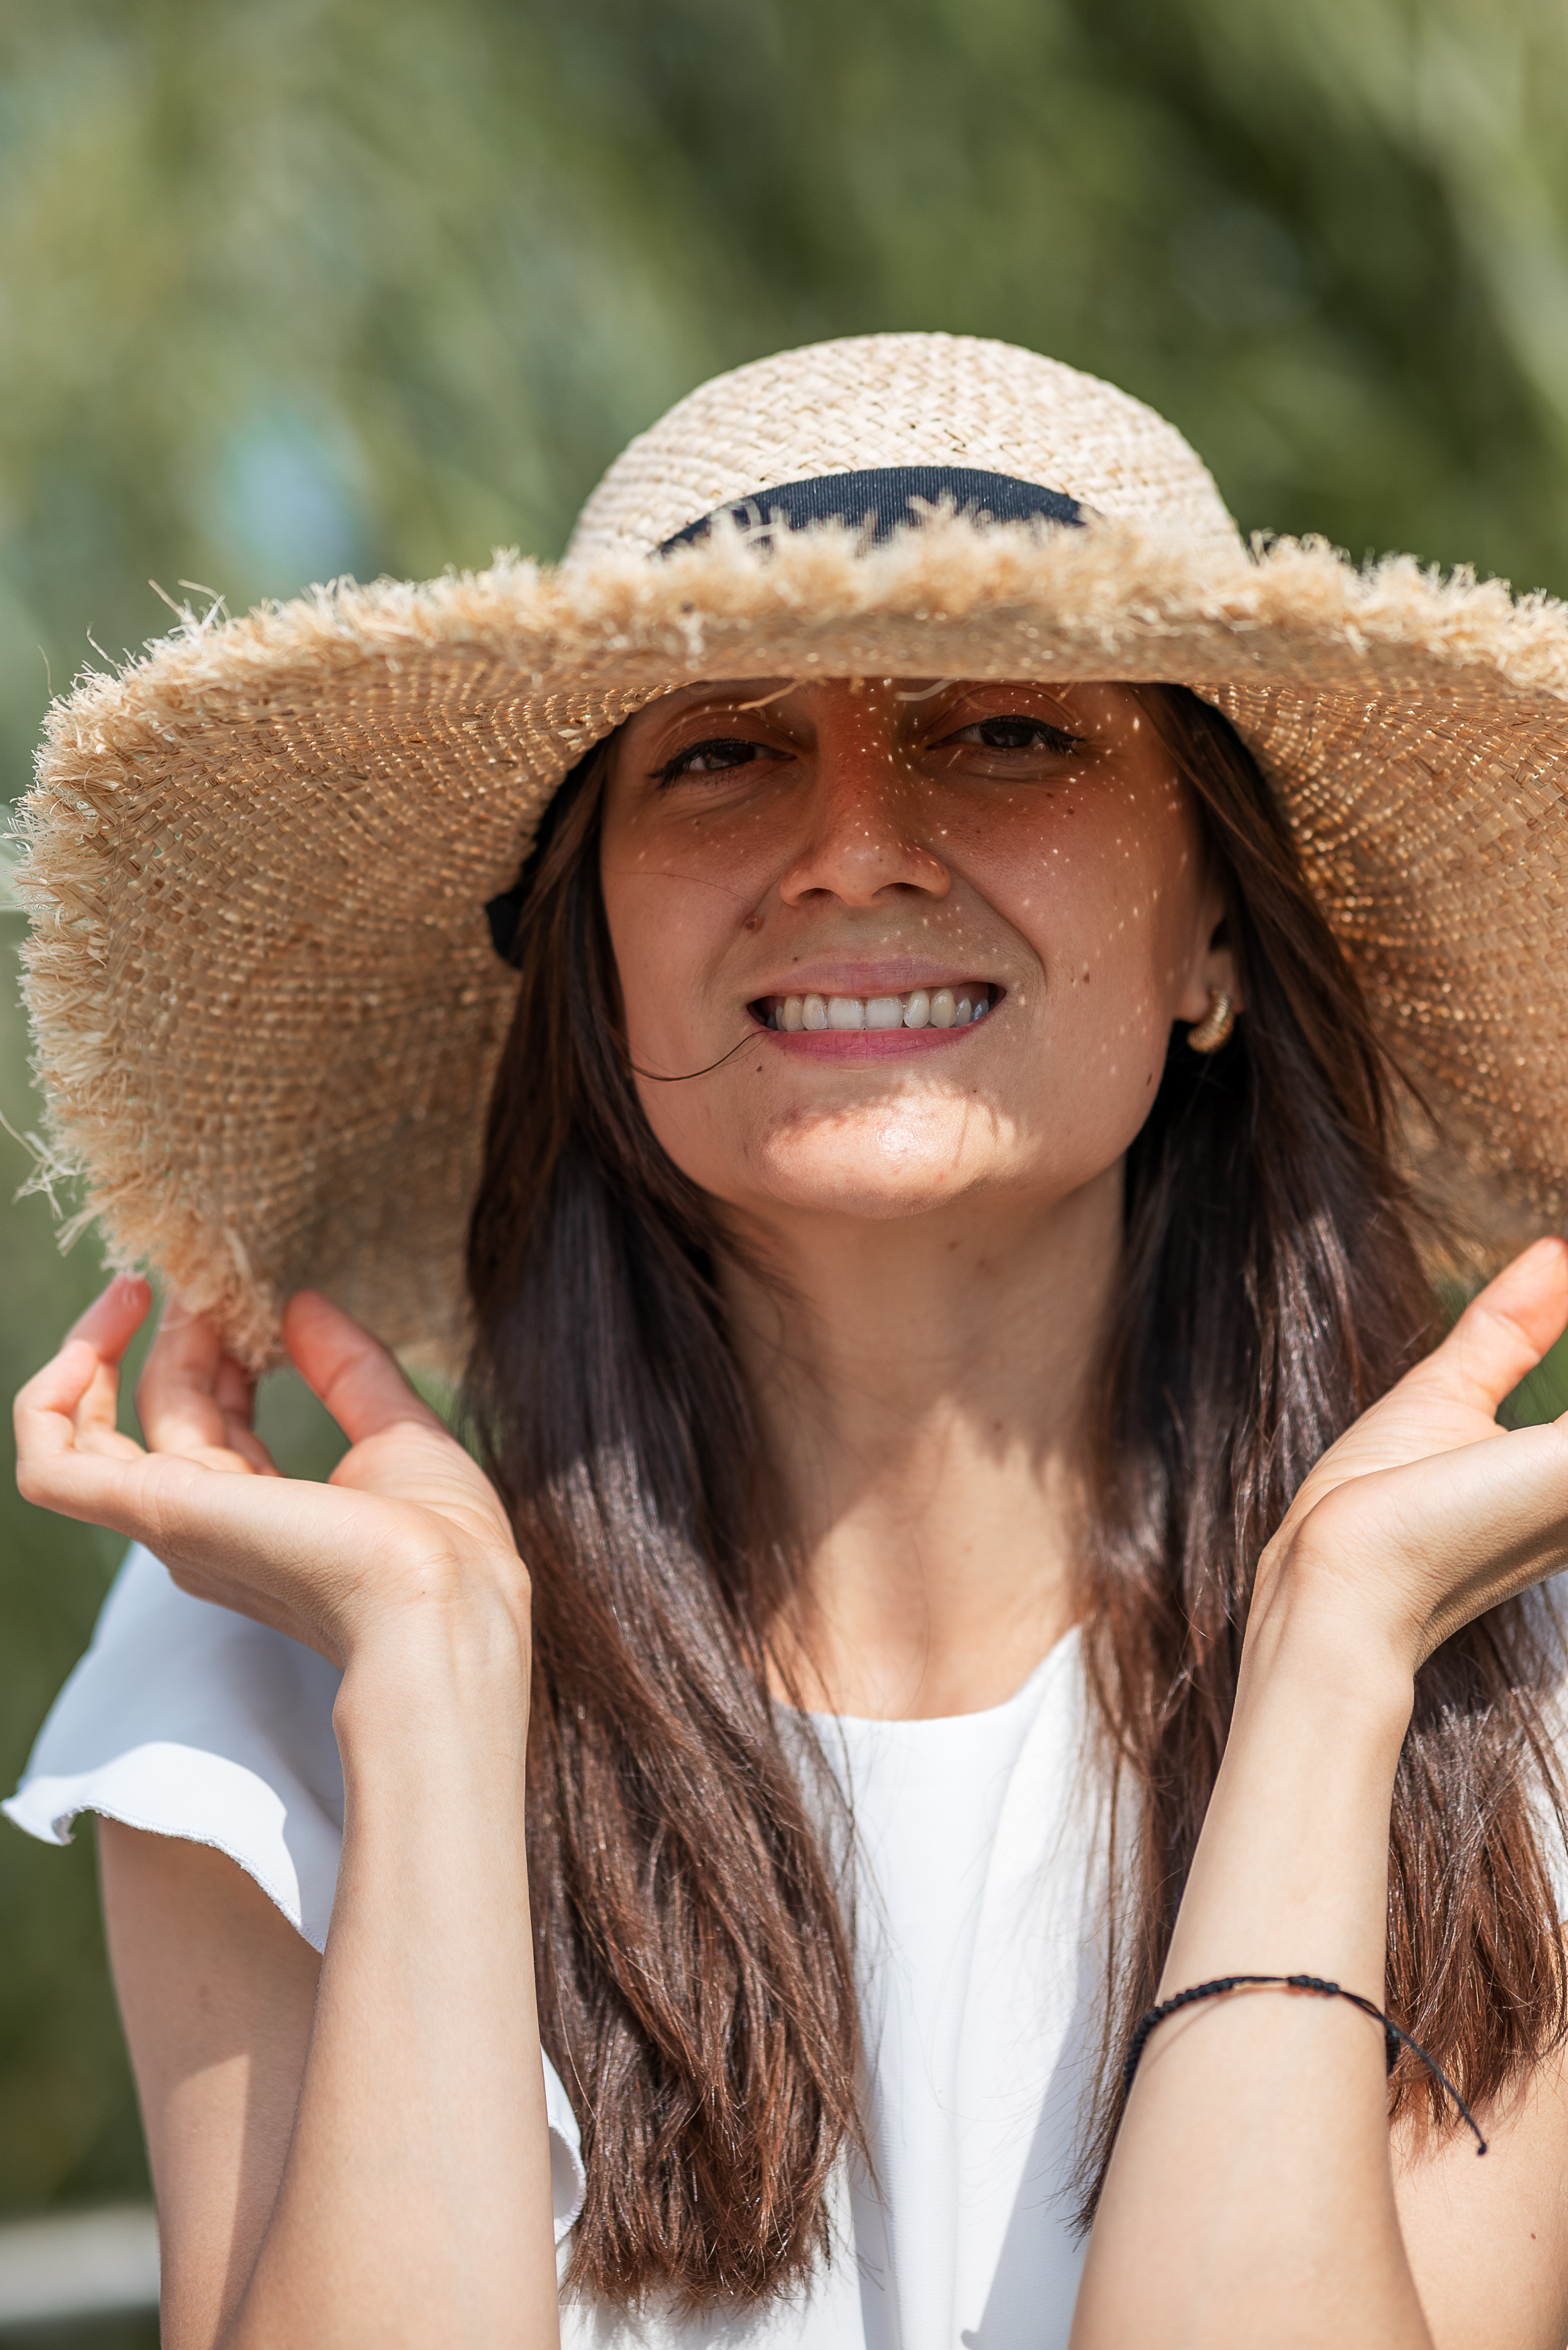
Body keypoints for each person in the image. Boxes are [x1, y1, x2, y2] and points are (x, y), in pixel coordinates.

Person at [9, 332, 1568, 2350]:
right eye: (722, 751)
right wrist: (433, 1683)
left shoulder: (1512, 1711)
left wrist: (1343, 1649)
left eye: (1005, 733)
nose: (855, 842)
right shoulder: (265, 1685)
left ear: (1216, 938)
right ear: (592, 948)